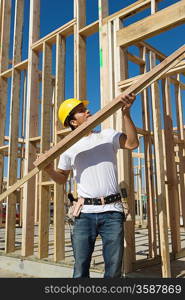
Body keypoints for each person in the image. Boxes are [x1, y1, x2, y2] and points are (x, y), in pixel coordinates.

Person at [44, 94, 139, 278]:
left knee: (113, 270)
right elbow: (62, 178)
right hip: (85, 213)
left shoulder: (107, 135)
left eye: (85, 108)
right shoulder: (67, 147)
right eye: (81, 111)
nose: (87, 111)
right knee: (80, 269)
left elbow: (132, 143)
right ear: (73, 121)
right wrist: (49, 170)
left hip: (112, 211)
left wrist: (126, 113)